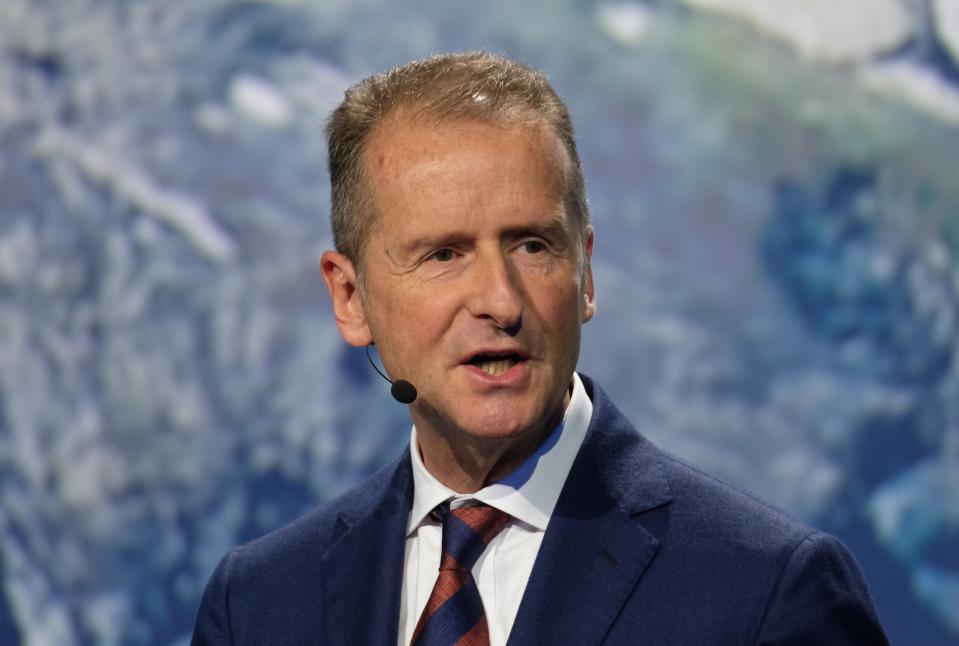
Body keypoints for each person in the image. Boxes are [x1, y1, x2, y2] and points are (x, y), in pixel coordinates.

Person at [192, 52, 888, 646]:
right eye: (442, 254)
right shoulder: (258, 606)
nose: (499, 300)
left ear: (584, 274)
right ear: (350, 298)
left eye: (532, 245)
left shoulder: (764, 591)